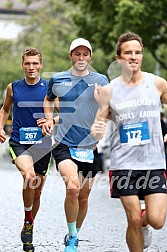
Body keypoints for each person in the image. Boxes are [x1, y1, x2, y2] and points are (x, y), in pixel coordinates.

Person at [91, 32, 167, 252]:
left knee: (157, 220)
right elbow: (98, 127)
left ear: (142, 55)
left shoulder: (157, 83)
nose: (133, 57)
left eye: (137, 52)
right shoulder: (109, 90)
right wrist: (96, 130)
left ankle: (146, 223)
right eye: (128, 53)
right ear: (119, 58)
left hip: (153, 163)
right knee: (132, 219)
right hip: (123, 165)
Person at [42, 38, 109, 252]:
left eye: (85, 54)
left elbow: (109, 110)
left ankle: (75, 232)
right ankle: (72, 238)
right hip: (63, 144)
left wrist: (102, 101)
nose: (81, 58)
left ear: (90, 56)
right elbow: (48, 99)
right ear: (70, 55)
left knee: (83, 196)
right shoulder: (57, 78)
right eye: (77, 54)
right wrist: (48, 119)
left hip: (90, 147)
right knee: (72, 188)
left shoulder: (101, 80)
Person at [0, 47, 51, 252]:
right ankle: (28, 218)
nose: (31, 67)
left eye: (35, 63)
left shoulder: (49, 88)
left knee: (37, 192)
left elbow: (60, 115)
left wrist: (50, 121)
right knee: (29, 177)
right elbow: (4, 110)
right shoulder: (14, 88)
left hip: (42, 145)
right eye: (27, 63)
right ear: (22, 65)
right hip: (20, 142)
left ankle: (28, 226)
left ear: (40, 65)